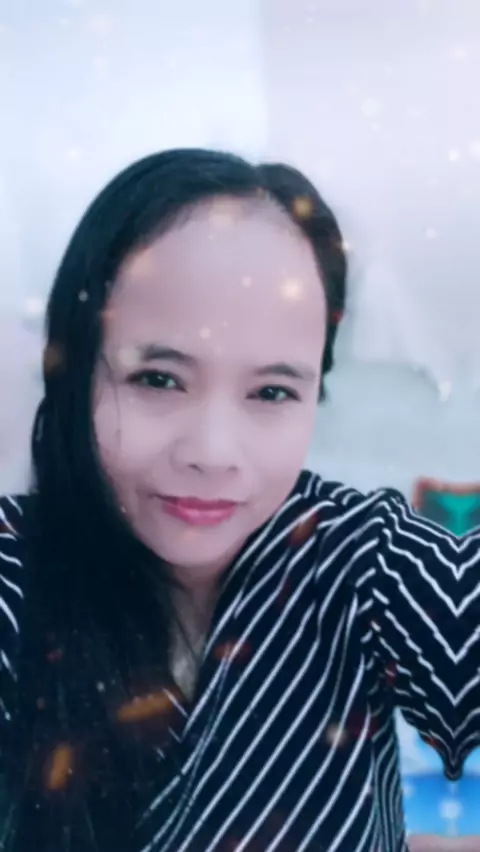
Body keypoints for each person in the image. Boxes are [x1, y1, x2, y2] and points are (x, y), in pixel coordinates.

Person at [0, 148, 471, 852]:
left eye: (272, 392)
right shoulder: (18, 576)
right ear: (75, 372)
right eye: (159, 379)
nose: (214, 452)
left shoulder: (357, 558)